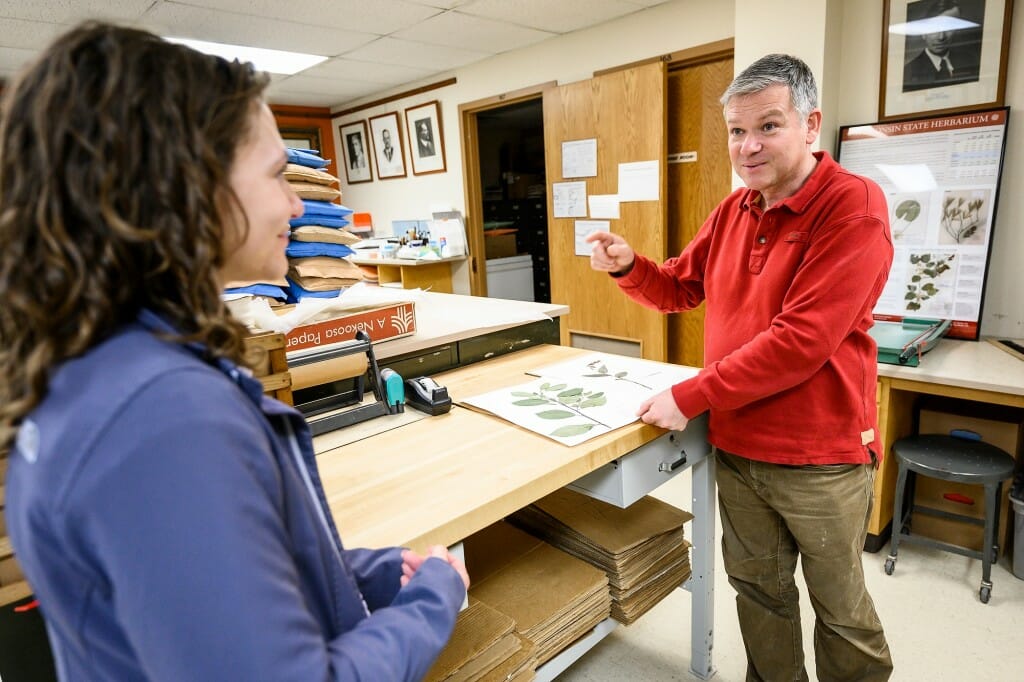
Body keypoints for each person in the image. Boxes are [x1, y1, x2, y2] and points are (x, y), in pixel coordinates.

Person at [0, 22, 468, 681]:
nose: (297, 201)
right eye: (278, 174)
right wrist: (432, 603)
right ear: (184, 184)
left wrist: (380, 570)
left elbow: (224, 587)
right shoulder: (158, 416)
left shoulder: (98, 366)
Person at [587, 54, 894, 681]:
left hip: (821, 457)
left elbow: (801, 340)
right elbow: (678, 286)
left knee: (840, 609)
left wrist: (694, 393)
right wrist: (628, 266)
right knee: (760, 594)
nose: (748, 146)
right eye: (736, 130)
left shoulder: (853, 206)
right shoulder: (735, 210)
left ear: (811, 125)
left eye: (768, 127)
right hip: (739, 445)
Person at [903, 0, 981, 92]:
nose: (941, 37)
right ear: (923, 33)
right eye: (935, 28)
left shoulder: (969, 60)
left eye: (949, 28)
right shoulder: (908, 71)